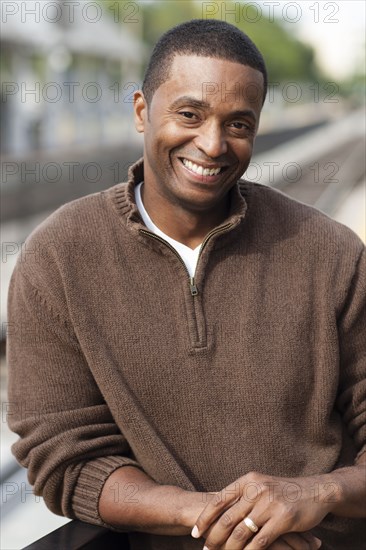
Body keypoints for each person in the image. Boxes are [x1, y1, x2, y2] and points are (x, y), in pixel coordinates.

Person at [7, 19, 366, 550]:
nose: (213, 144)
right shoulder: (58, 256)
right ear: (140, 111)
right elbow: (65, 457)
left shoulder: (332, 253)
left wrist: (316, 493)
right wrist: (221, 521)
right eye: (190, 114)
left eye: (239, 124)